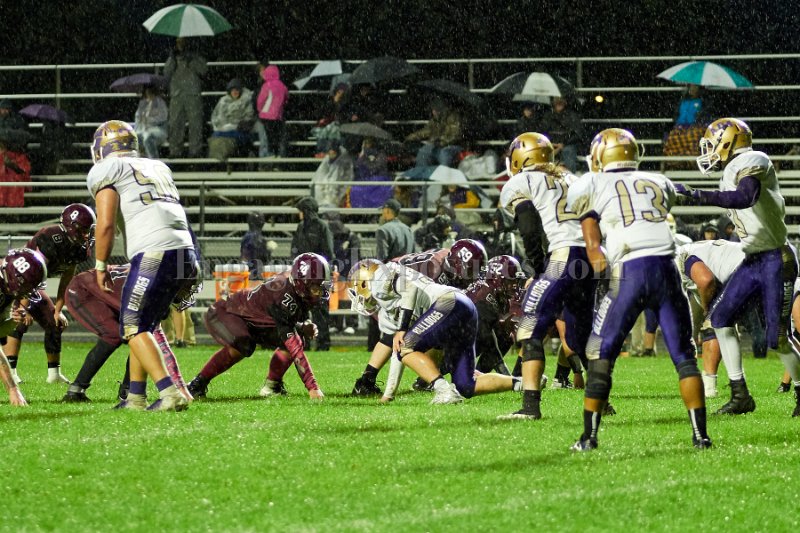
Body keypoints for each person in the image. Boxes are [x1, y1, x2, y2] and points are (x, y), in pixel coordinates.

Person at [566, 127, 711, 450]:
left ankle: (589, 437)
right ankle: (701, 436)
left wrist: (597, 261)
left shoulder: (592, 182)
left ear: (601, 155)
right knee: (684, 356)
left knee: (601, 353)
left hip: (629, 270)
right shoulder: (658, 180)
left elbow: (586, 223)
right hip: (667, 269)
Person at [675, 118, 800, 416]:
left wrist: (698, 194)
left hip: (776, 258)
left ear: (727, 141)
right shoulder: (732, 168)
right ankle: (740, 394)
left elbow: (746, 196)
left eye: (712, 143)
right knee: (720, 318)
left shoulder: (753, 160)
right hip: (753, 258)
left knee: (777, 338)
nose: (708, 151)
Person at [87, 119, 199, 411]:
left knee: (133, 326)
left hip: (155, 251)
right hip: (184, 251)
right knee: (144, 324)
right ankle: (135, 397)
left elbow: (105, 223)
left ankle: (169, 393)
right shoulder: (157, 166)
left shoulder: (107, 169)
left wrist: (101, 265)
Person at [496, 132, 594, 420]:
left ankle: (530, 407)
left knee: (529, 326)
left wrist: (538, 268)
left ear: (518, 158)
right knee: (580, 337)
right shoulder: (572, 178)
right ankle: (602, 401)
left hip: (563, 255)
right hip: (592, 256)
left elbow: (528, 226)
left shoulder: (521, 182)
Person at [348, 258, 521, 404]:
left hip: (448, 302)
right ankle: (524, 383)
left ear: (364, 281)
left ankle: (443, 390)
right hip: (464, 307)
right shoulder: (388, 308)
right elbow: (397, 353)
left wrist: (402, 328)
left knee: (405, 346)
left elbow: (410, 289)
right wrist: (388, 395)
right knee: (466, 385)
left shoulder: (379, 278)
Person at [351, 240, 488, 396]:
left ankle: (426, 379)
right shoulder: (434, 268)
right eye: (470, 271)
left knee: (428, 333)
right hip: (397, 284)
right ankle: (367, 381)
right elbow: (413, 289)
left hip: (409, 285)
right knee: (399, 334)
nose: (473, 277)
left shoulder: (449, 263)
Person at [186, 253, 330, 400]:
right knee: (244, 344)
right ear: (301, 283)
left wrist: (303, 325)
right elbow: (292, 341)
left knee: (296, 338)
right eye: (315, 287)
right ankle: (197, 384)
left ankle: (272, 386)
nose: (320, 292)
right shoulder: (282, 295)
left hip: (254, 321)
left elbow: (288, 316)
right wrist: (313, 388)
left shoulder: (294, 286)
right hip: (226, 312)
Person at [62, 264, 193, 403]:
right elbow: (160, 344)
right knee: (116, 335)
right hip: (83, 291)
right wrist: (179, 386)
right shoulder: (149, 287)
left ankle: (128, 391)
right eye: (188, 286)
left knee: (140, 337)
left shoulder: (156, 278)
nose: (189, 291)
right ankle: (76, 390)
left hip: (103, 292)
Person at [2, 203, 95, 385]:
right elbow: (28, 277)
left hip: (33, 284)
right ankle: (11, 371)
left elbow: (67, 275)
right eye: (83, 230)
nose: (86, 235)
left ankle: (54, 374)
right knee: (19, 321)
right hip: (16, 282)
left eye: (88, 230)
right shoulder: (50, 238)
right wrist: (24, 308)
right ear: (71, 227)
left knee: (54, 322)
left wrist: (58, 309)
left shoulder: (79, 247)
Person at [674, 239, 745, 398]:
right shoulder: (697, 251)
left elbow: (705, 280)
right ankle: (739, 383)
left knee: (713, 324)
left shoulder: (682, 257)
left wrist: (707, 309)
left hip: (743, 272)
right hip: (757, 266)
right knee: (782, 335)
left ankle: (709, 387)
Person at [0, 248, 48, 406]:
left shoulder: (6, 285)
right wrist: (13, 389)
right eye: (27, 284)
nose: (30, 290)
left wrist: (13, 321)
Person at [291, 196, 334, 351]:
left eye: (301, 211)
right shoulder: (301, 227)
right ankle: (305, 343)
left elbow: (328, 252)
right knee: (302, 311)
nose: (299, 214)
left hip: (317, 277)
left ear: (306, 211)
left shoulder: (322, 227)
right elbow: (295, 250)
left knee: (320, 312)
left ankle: (323, 344)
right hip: (304, 277)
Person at [164, 37, 207, 158]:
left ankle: (195, 151)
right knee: (175, 123)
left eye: (183, 42)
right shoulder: (173, 57)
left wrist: (191, 60)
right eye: (178, 42)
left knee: (195, 123)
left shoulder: (195, 56)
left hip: (192, 94)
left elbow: (203, 70)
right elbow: (166, 73)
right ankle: (175, 151)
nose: (181, 44)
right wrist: (172, 59)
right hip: (177, 95)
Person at [323, 213, 361, 335]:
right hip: (336, 273)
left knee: (348, 298)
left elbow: (355, 257)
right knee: (336, 299)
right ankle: (336, 324)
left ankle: (350, 324)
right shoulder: (330, 237)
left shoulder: (351, 237)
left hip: (348, 272)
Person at [663, 84, 711, 170]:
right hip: (680, 127)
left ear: (699, 89)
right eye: (691, 87)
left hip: (696, 127)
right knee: (672, 136)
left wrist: (695, 124)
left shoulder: (703, 102)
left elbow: (704, 118)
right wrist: (678, 125)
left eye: (695, 87)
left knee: (692, 136)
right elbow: (676, 116)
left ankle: (690, 162)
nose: (692, 89)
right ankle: (675, 162)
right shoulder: (682, 101)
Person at [405, 98, 464, 168]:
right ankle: (422, 172)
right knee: (423, 152)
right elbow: (425, 131)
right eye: (432, 110)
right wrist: (410, 137)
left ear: (440, 109)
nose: (433, 112)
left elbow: (455, 135)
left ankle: (444, 173)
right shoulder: (435, 120)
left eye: (434, 110)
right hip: (436, 145)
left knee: (443, 154)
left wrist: (441, 142)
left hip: (452, 146)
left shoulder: (453, 118)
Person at [208, 78, 256, 161]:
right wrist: (221, 126)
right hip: (223, 130)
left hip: (239, 130)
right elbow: (215, 117)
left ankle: (222, 158)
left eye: (237, 90)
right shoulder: (223, 101)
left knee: (226, 139)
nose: (235, 92)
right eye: (232, 90)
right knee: (216, 136)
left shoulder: (246, 101)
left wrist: (235, 125)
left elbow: (249, 117)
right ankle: (220, 158)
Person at [538, 97, 583, 173]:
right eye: (557, 101)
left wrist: (564, 143)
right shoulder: (548, 116)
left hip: (568, 144)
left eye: (561, 102)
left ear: (565, 103)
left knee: (568, 151)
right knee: (542, 151)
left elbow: (577, 134)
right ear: (553, 103)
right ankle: (544, 174)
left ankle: (570, 175)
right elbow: (542, 131)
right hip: (551, 143)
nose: (559, 104)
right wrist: (550, 143)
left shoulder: (572, 116)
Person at [255, 64, 289, 158]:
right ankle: (277, 154)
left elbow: (261, 100)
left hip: (265, 116)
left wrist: (259, 110)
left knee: (266, 136)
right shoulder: (282, 86)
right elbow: (286, 99)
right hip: (277, 116)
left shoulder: (266, 85)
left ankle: (268, 154)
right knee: (276, 136)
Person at [310, 140, 353, 208]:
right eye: (329, 152)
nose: (330, 154)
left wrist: (336, 197)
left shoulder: (345, 163)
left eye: (333, 152)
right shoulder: (327, 161)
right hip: (323, 198)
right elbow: (319, 177)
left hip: (336, 198)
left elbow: (345, 183)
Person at [134, 85, 168, 159]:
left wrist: (149, 120)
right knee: (135, 138)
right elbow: (137, 118)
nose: (148, 95)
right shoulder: (143, 103)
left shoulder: (160, 103)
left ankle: (154, 160)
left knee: (148, 138)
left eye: (150, 92)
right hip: (143, 130)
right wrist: (141, 120)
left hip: (158, 130)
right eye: (147, 93)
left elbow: (163, 117)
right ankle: (140, 160)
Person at [240, 212, 272, 279]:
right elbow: (261, 256)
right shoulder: (255, 237)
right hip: (254, 272)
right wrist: (268, 249)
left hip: (251, 270)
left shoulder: (249, 236)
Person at [0, 139, 31, 207]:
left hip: (12, 192)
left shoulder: (21, 157)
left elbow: (23, 173)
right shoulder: (3, 156)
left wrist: (11, 165)